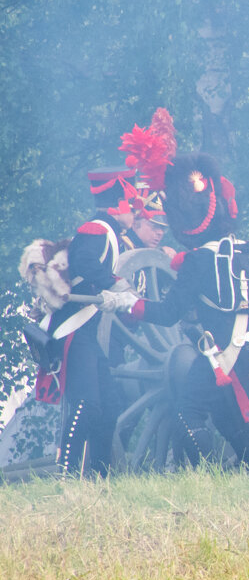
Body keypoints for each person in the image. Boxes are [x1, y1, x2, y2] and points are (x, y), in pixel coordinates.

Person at [126, 152, 249, 469]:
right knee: (223, 413)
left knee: (186, 412)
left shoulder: (197, 261)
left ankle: (203, 477)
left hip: (224, 354)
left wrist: (131, 303)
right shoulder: (240, 248)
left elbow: (168, 314)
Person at [35, 166, 142, 476]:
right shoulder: (96, 229)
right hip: (72, 330)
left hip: (88, 332)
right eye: (131, 205)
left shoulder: (113, 235)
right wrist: (115, 286)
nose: (134, 213)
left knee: (108, 407)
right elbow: (85, 265)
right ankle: (66, 473)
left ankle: (98, 475)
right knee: (86, 404)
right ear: (117, 205)